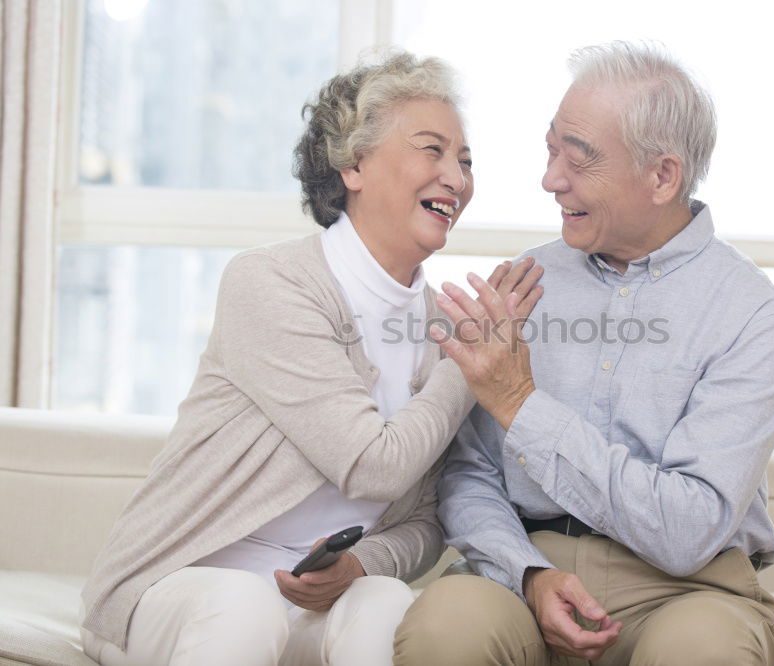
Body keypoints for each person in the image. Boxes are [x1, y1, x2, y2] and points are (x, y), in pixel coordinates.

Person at [78, 51, 543, 666]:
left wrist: (359, 563)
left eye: (464, 161)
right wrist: (472, 357)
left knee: (384, 603)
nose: (456, 179)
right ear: (353, 164)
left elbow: (427, 521)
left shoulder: (440, 328)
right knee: (243, 607)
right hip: (183, 587)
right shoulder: (270, 284)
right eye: (431, 150)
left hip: (305, 603)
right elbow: (372, 468)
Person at [394, 41, 774, 665]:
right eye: (551, 150)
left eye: (577, 161)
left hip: (687, 589)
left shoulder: (752, 315)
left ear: (663, 176)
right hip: (527, 570)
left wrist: (520, 405)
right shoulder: (523, 283)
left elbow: (688, 530)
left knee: (703, 652)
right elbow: (468, 472)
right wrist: (527, 571)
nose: (551, 180)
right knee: (447, 627)